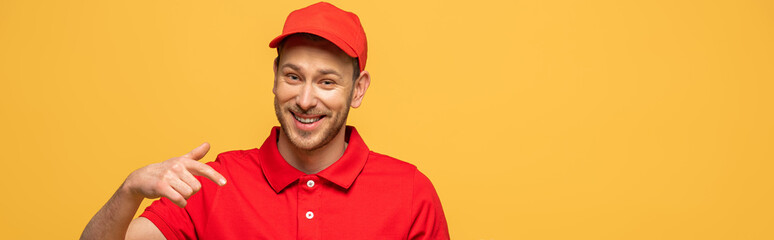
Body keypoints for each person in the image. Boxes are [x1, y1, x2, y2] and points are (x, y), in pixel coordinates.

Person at [81, 2, 449, 239]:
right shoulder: (212, 184)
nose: (305, 100)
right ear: (275, 76)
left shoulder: (411, 195)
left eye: (326, 81)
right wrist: (129, 190)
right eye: (293, 76)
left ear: (357, 89)